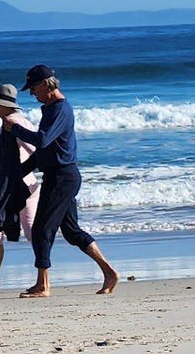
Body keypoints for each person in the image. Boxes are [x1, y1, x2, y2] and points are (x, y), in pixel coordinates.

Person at [12, 65, 119, 298]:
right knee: (71, 232)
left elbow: (42, 140)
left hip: (63, 177)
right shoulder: (50, 110)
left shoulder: (59, 109)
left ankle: (43, 286)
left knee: (41, 229)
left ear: (44, 85)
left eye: (33, 88)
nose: (32, 94)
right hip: (60, 176)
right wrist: (20, 170)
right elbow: (45, 152)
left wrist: (16, 129)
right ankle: (109, 272)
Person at [0, 82, 41, 292]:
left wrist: (21, 171)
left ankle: (43, 280)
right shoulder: (7, 123)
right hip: (5, 186)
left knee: (30, 232)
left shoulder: (15, 123)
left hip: (23, 187)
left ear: (3, 105)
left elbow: (39, 149)